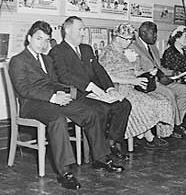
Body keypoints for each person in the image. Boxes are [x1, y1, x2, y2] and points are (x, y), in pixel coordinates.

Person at [9, 21, 124, 190]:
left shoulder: (47, 60)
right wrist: (52, 97)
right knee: (58, 119)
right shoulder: (18, 60)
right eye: (39, 39)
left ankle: (101, 158)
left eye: (46, 40)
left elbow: (54, 82)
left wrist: (66, 93)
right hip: (31, 105)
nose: (43, 44)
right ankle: (65, 173)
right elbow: (24, 89)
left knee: (89, 112)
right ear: (29, 38)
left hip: (52, 99)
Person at [48, 16, 132, 160]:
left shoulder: (86, 49)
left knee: (124, 104)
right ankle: (99, 156)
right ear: (67, 31)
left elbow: (99, 71)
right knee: (102, 109)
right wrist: (90, 87)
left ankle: (113, 143)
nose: (83, 33)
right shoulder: (57, 51)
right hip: (76, 95)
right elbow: (64, 77)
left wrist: (110, 89)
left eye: (84, 29)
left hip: (93, 93)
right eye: (80, 30)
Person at [99, 23, 174, 149]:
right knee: (148, 105)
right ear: (118, 38)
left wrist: (146, 73)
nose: (130, 42)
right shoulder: (108, 53)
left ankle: (145, 134)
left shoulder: (125, 52)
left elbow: (132, 71)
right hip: (118, 90)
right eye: (128, 39)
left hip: (131, 88)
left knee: (162, 101)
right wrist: (132, 81)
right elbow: (105, 77)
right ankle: (146, 136)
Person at [130, 21, 186, 138]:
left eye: (156, 34)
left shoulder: (153, 48)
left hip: (161, 80)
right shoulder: (133, 47)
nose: (156, 36)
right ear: (143, 33)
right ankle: (177, 126)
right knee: (169, 94)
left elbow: (160, 67)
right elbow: (135, 71)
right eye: (153, 34)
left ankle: (173, 122)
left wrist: (173, 73)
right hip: (148, 84)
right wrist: (156, 75)